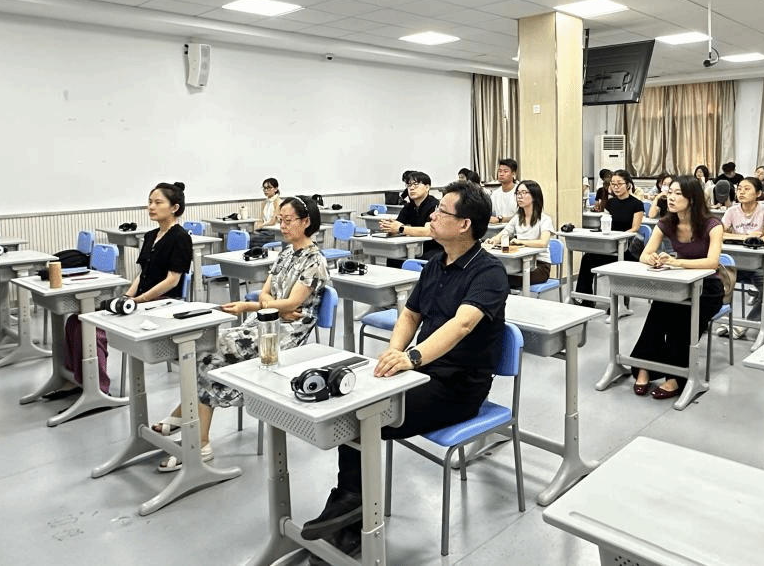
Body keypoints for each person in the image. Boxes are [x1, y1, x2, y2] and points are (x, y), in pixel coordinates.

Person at [300, 181, 509, 551]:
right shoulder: (436, 264)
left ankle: (352, 513)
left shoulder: (488, 272)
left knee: (363, 417)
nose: (433, 215)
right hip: (421, 374)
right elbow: (410, 315)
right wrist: (393, 353)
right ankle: (350, 508)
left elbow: (461, 325)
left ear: (464, 224)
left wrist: (411, 358)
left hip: (459, 387)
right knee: (353, 405)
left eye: (442, 211)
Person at [152, 195, 329, 471]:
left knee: (209, 354)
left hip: (287, 334)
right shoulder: (286, 253)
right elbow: (268, 293)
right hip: (266, 323)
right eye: (280, 220)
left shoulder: (315, 260)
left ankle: (198, 440)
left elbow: (291, 304)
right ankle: (188, 422)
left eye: (288, 221)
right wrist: (272, 305)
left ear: (306, 222)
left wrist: (258, 306)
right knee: (206, 349)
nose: (282, 226)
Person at [63, 182, 193, 397]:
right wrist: (127, 296)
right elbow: (142, 274)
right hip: (140, 300)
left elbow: (172, 280)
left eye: (158, 202)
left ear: (174, 208)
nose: (151, 207)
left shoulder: (181, 237)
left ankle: (99, 389)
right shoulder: (150, 236)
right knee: (75, 321)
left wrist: (141, 299)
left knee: (93, 329)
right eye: (149, 202)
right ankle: (77, 378)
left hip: (162, 302)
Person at [631, 175, 724, 400]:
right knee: (657, 311)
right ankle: (645, 367)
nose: (671, 198)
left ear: (692, 199)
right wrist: (652, 259)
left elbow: (712, 263)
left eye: (678, 194)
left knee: (682, 320)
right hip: (679, 284)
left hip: (708, 289)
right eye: (670, 192)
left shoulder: (712, 225)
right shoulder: (666, 223)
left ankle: (676, 377)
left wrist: (677, 262)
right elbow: (644, 254)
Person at [574, 169, 644, 310]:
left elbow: (635, 229)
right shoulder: (610, 203)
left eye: (619, 184)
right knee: (587, 259)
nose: (615, 187)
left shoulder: (637, 204)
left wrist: (619, 237)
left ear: (628, 185)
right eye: (613, 184)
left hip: (626, 249)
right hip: (610, 247)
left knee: (618, 265)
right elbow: (605, 224)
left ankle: (618, 304)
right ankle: (585, 299)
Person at [721, 177, 764, 335]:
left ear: (758, 193)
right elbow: (719, 234)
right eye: (739, 188)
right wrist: (747, 237)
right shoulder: (731, 211)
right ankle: (723, 320)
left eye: (747, 189)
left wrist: (733, 236)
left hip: (760, 264)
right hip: (735, 263)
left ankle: (747, 323)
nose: (741, 192)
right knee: (712, 284)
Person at [485, 180, 554, 288]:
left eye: (524, 193)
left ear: (534, 196)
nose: (519, 196)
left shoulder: (545, 219)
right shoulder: (517, 218)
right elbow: (505, 233)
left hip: (540, 266)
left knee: (501, 279)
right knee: (495, 275)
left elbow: (543, 243)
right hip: (520, 263)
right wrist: (493, 240)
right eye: (518, 193)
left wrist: (520, 242)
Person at [379, 170, 440, 264]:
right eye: (409, 185)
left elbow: (428, 231)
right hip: (411, 245)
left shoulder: (434, 204)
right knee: (393, 259)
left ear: (427, 187)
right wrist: (389, 226)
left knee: (422, 260)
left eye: (416, 185)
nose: (411, 188)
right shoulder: (408, 206)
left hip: (432, 247)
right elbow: (398, 225)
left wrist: (402, 229)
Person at [489, 158, 519, 223]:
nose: (501, 174)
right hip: (498, 227)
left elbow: (521, 217)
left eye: (505, 171)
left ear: (513, 174)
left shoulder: (519, 192)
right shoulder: (495, 194)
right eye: (500, 171)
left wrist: (500, 219)